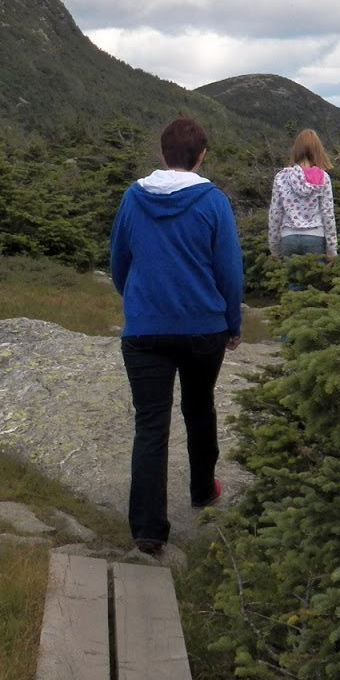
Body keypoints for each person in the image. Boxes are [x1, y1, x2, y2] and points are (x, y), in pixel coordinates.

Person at [109, 116, 244, 556]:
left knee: (150, 426)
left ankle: (148, 531)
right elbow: (228, 270)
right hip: (204, 327)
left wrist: (136, 301)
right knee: (199, 407)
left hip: (145, 328)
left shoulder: (133, 198)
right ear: (202, 155)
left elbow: (119, 261)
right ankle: (203, 490)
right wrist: (233, 324)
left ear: (163, 153)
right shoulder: (213, 201)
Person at [267, 129, 338, 265]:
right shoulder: (323, 178)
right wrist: (332, 250)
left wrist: (274, 247)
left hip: (288, 238)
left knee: (292, 284)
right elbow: (328, 215)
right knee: (315, 284)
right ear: (317, 150)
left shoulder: (281, 177)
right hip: (315, 238)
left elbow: (275, 214)